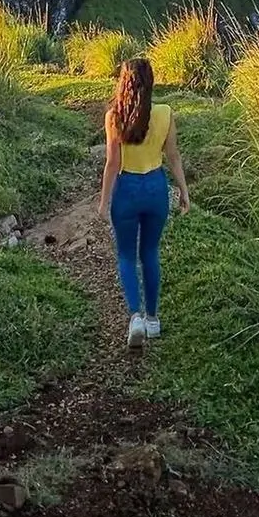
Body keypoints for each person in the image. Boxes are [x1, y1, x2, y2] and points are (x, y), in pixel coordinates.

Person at [98, 57, 190, 349]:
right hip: (155, 187)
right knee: (150, 252)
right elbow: (173, 155)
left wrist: (103, 202)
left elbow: (112, 164)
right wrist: (184, 190)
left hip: (126, 188)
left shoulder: (115, 117)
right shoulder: (165, 113)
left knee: (126, 255)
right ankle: (153, 319)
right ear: (151, 83)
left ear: (123, 83)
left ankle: (135, 316)